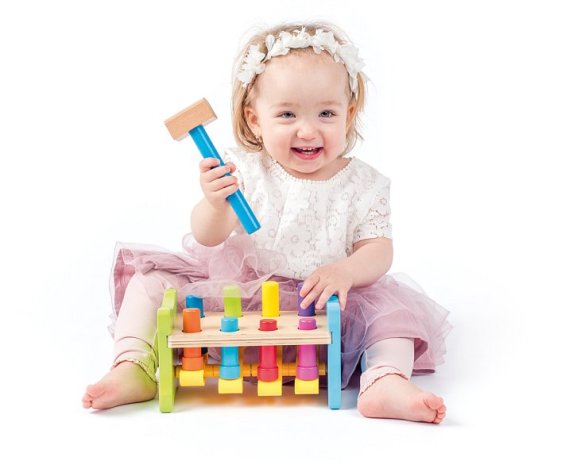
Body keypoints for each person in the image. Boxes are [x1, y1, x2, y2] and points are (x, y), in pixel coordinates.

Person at [82, 21, 451, 423]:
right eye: (287, 114)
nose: (307, 129)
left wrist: (346, 271)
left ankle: (384, 381)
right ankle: (132, 365)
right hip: (241, 300)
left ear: (348, 115)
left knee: (393, 316)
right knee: (150, 281)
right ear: (255, 120)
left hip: (325, 304)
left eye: (326, 113)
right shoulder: (243, 170)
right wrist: (215, 203)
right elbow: (207, 237)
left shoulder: (364, 184)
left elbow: (379, 250)